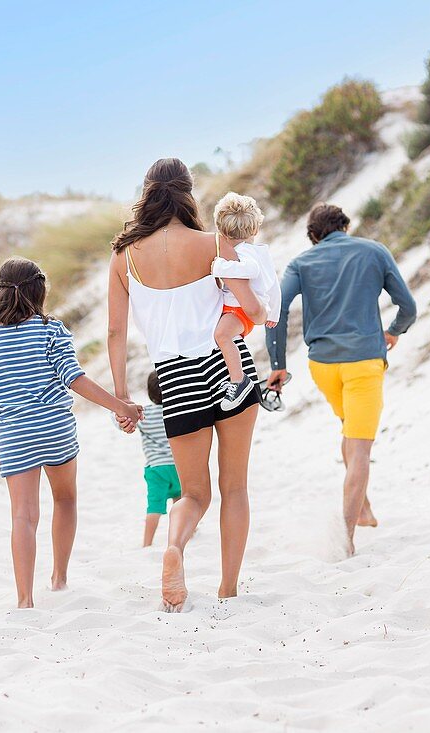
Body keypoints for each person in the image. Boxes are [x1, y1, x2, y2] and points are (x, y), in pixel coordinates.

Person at [107, 158, 267, 612]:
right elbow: (251, 307)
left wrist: (122, 396)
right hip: (226, 368)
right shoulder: (215, 243)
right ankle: (228, 589)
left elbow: (115, 333)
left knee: (194, 493)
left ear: (147, 193)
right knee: (234, 487)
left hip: (176, 380)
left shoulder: (123, 257)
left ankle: (175, 544)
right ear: (188, 193)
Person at [0, 257, 143, 608]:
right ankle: (59, 578)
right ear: (39, 290)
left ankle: (25, 599)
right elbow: (74, 380)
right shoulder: (50, 330)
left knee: (23, 517)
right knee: (65, 499)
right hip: (55, 429)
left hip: (15, 436)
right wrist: (120, 407)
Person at [265, 203, 417, 556]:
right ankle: (347, 538)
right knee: (360, 446)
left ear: (313, 236)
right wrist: (394, 332)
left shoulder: (301, 263)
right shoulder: (373, 251)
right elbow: (407, 305)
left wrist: (278, 363)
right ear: (345, 226)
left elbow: (278, 310)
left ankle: (362, 509)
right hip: (364, 361)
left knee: (350, 429)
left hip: (323, 366)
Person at [210, 192, 282, 410]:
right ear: (255, 229)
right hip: (244, 309)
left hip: (239, 311)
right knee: (223, 336)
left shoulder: (244, 252)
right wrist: (274, 313)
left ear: (221, 231)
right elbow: (274, 286)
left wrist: (219, 267)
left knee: (221, 335)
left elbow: (250, 269)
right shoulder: (260, 251)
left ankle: (238, 381)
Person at [138, 371, 181, 547]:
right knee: (181, 501)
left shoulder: (144, 414)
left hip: (156, 468)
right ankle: (186, 532)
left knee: (154, 506)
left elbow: (118, 419)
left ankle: (147, 543)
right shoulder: (176, 412)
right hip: (179, 465)